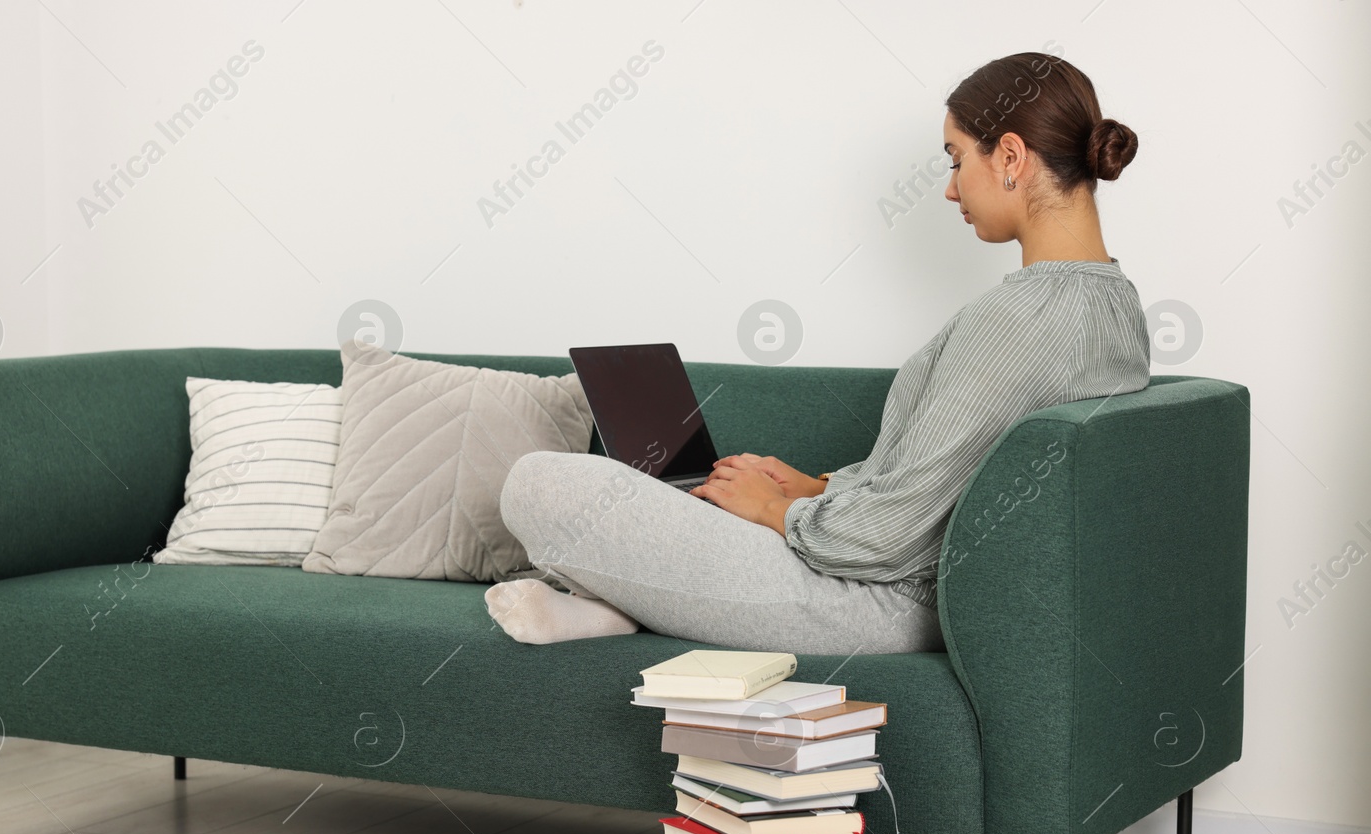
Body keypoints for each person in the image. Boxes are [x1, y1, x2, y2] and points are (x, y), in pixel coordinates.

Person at [487, 52, 1150, 656]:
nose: (950, 188)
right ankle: (622, 606)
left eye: (955, 158)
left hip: (875, 597)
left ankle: (629, 599)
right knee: (689, 499)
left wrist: (778, 512)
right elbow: (950, 477)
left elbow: (890, 534)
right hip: (883, 574)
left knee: (538, 484)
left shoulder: (1021, 317)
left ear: (1009, 156)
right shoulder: (1116, 308)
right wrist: (819, 488)